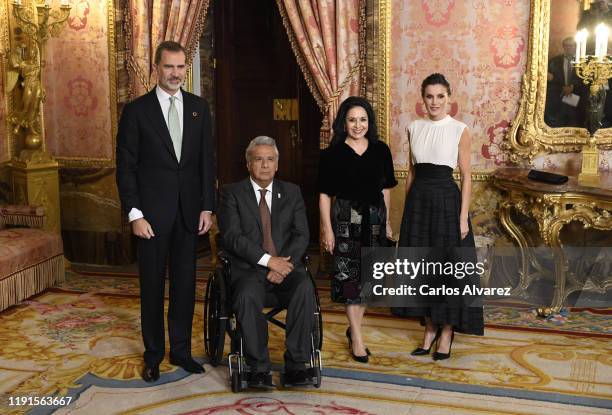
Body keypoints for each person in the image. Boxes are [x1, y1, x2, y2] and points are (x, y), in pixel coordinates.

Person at [116, 41, 215, 382]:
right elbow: (125, 168)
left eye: (180, 67)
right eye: (169, 67)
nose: (176, 74)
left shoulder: (199, 108)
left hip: (190, 214)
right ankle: (154, 354)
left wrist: (207, 206)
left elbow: (206, 163)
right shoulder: (137, 111)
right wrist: (134, 214)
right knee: (153, 287)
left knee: (185, 285)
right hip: (151, 217)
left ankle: (182, 351)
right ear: (156, 68)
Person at [395, 73, 484, 360]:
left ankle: (447, 331)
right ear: (423, 99)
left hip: (447, 201)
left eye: (440, 96)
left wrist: (462, 218)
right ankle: (430, 328)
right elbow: (411, 173)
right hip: (419, 202)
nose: (434, 102)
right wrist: (407, 213)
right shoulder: (413, 127)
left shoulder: (460, 129)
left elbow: (466, 177)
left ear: (449, 98)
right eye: (429, 96)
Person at [217, 136, 315, 389]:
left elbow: (301, 235)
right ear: (249, 164)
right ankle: (258, 368)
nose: (265, 165)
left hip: (286, 269)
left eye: (270, 159)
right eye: (258, 159)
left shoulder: (291, 192)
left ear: (277, 164)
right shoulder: (231, 193)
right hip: (250, 270)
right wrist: (269, 261)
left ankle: (296, 364)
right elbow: (232, 237)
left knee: (305, 287)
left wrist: (283, 267)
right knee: (247, 295)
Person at [317, 96, 397, 363]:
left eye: (363, 119)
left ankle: (354, 329)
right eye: (352, 120)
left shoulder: (381, 150)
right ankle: (359, 340)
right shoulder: (332, 154)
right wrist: (327, 230)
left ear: (369, 122)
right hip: (346, 220)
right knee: (350, 280)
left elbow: (386, 190)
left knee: (369, 281)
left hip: (375, 220)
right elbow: (325, 196)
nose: (358, 125)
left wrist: (386, 222)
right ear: (344, 123)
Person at [545, 37, 585, 127]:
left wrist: (572, 87)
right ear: (563, 47)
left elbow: (585, 80)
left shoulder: (583, 62)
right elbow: (549, 81)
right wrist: (562, 87)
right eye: (566, 45)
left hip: (576, 98)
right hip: (558, 98)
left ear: (575, 47)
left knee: (574, 124)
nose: (569, 48)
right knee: (558, 124)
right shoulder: (554, 61)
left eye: (571, 45)